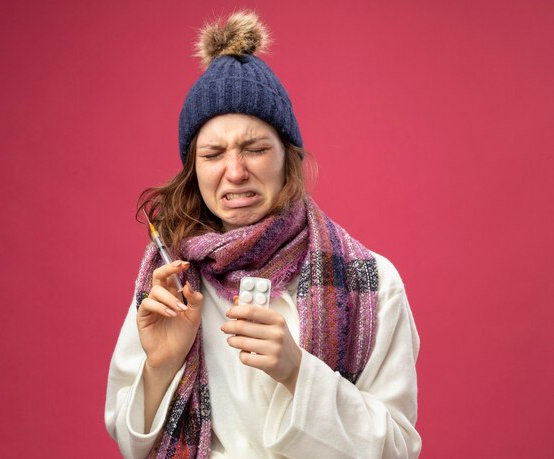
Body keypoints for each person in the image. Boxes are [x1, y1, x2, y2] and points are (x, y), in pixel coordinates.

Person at [105, 11, 421, 459]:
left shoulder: (371, 281)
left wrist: (298, 372)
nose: (236, 172)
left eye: (255, 149)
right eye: (213, 153)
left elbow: (398, 449)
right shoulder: (171, 285)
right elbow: (130, 441)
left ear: (287, 158)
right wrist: (160, 365)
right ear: (194, 171)